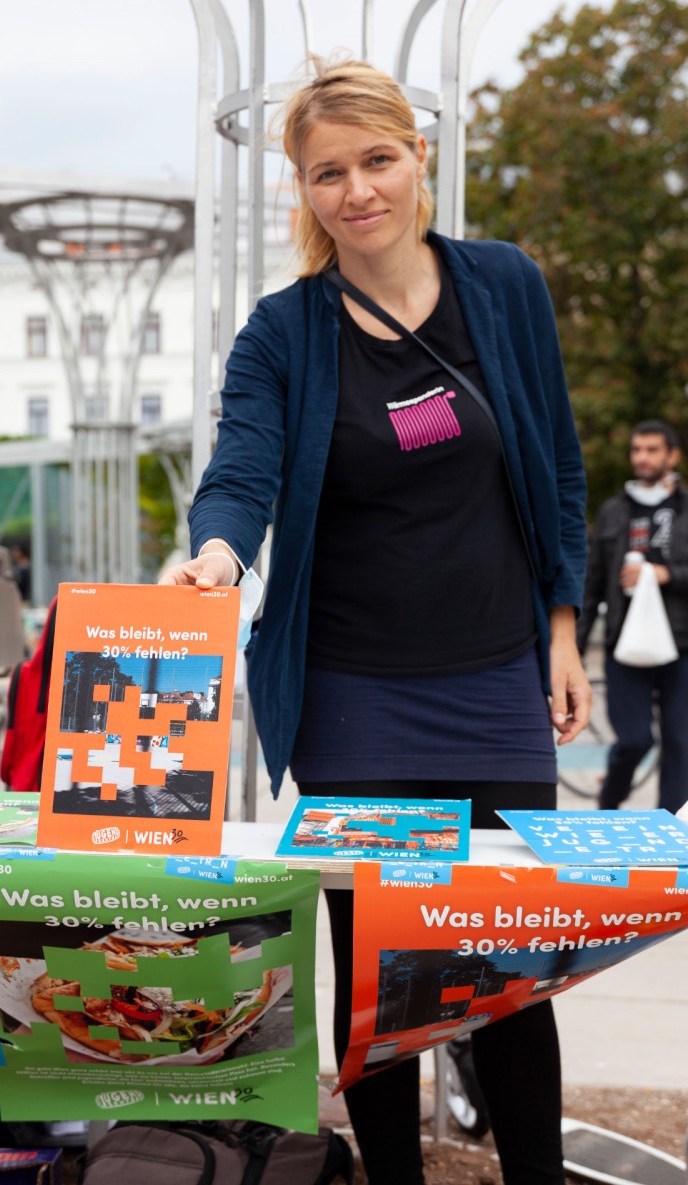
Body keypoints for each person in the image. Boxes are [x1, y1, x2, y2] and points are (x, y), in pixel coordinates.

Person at [161, 59, 591, 1185]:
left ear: (417, 157)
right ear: (303, 190)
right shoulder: (284, 332)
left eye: (377, 160)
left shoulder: (504, 284)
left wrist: (560, 628)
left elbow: (555, 461)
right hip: (352, 701)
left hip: (495, 682)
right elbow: (242, 468)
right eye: (327, 173)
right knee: (378, 979)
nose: (357, 191)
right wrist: (217, 555)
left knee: (511, 973)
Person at [577, 420, 688, 813]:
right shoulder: (614, 511)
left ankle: (672, 830)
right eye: (637, 449)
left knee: (681, 743)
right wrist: (573, 650)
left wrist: (667, 574)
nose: (642, 457)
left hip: (681, 646)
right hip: (623, 645)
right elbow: (591, 585)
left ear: (672, 456)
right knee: (634, 740)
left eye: (652, 450)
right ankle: (608, 806)